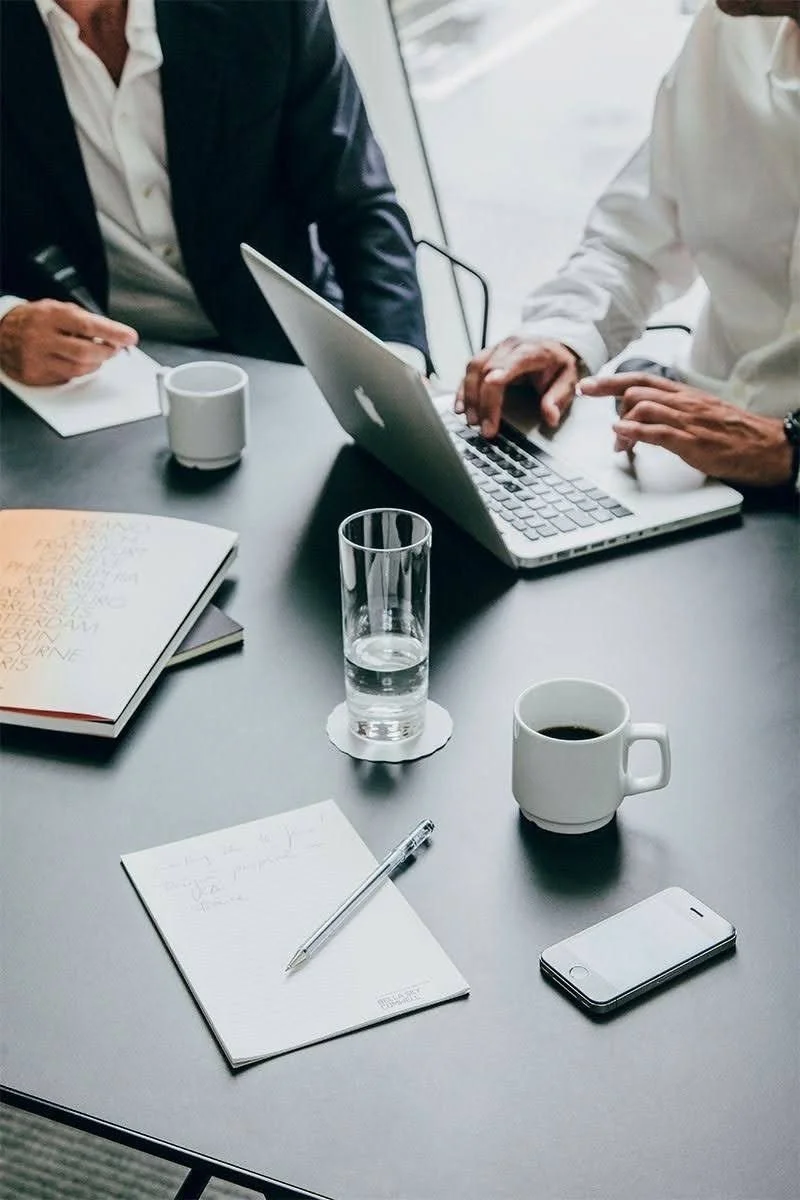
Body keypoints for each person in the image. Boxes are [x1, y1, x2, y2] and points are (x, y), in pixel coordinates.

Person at [456, 1, 800, 491]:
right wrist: (564, 333)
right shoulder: (724, 33)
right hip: (690, 443)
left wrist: (790, 450)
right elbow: (633, 242)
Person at [0, 0, 429, 386]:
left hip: (284, 354)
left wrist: (397, 364)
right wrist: (4, 324)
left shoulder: (268, 9)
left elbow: (359, 203)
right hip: (88, 379)